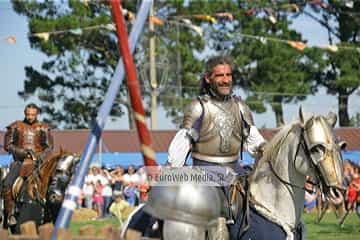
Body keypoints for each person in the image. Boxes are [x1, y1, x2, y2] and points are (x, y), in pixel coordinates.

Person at [167, 55, 265, 170]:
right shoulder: (198, 107)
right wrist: (168, 171)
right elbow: (182, 144)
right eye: (220, 76)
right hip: (204, 176)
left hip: (235, 174)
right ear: (208, 79)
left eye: (228, 75)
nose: (226, 80)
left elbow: (256, 142)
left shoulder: (240, 107)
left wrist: (266, 149)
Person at [2, 103, 53, 226]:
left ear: (37, 114)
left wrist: (39, 157)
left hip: (39, 163)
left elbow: (49, 147)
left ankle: (52, 212)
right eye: (28, 114)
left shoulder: (43, 128)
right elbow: (8, 145)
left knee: (54, 184)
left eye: (32, 114)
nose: (30, 117)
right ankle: (10, 213)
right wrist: (23, 153)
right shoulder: (16, 126)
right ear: (25, 113)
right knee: (7, 184)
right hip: (20, 163)